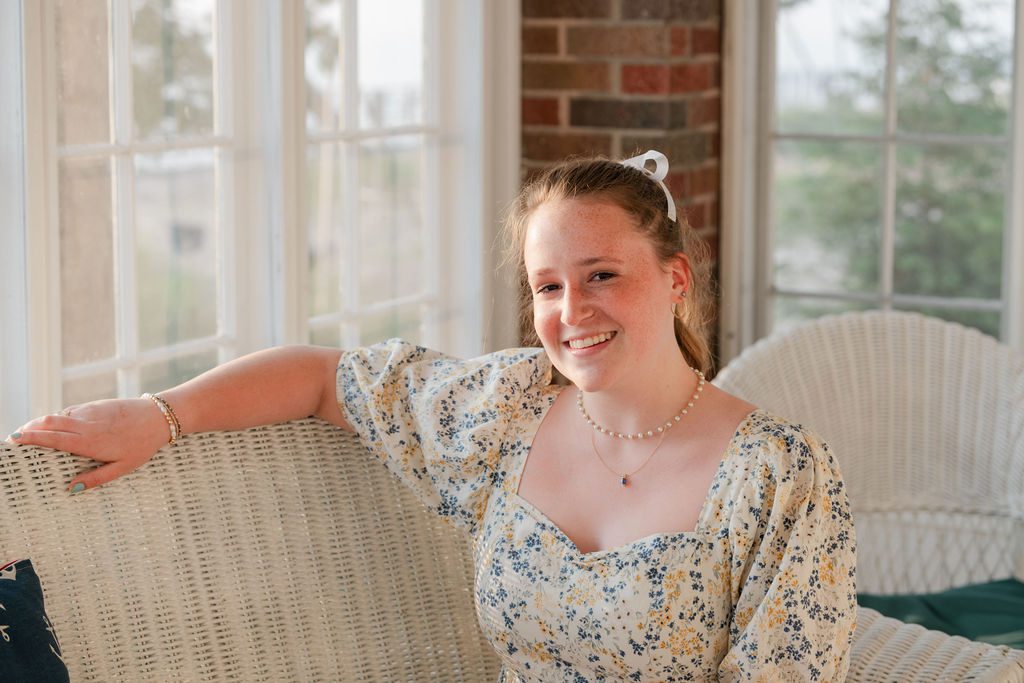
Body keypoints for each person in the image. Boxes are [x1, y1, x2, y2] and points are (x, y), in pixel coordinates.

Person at [9, 151, 857, 681]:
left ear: (674, 278)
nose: (572, 310)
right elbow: (321, 377)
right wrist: (164, 414)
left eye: (603, 274)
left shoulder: (780, 473)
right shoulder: (507, 410)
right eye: (549, 285)